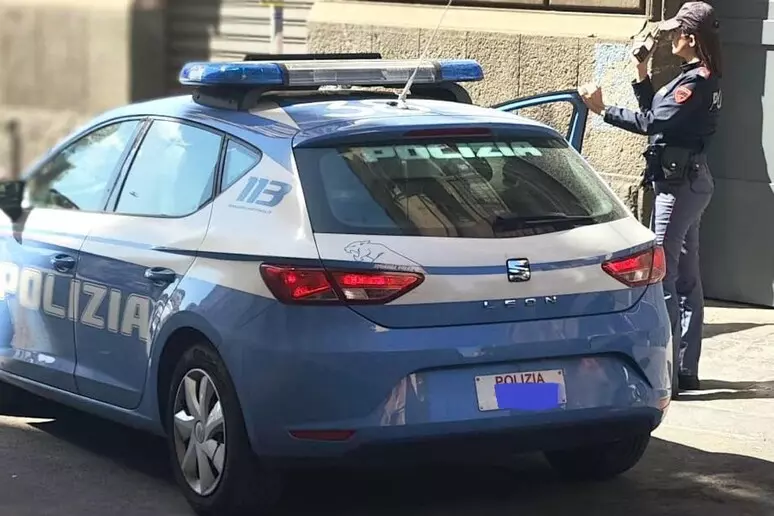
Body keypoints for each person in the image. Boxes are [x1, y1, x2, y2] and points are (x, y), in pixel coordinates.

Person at [578, 1, 723, 397]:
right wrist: (641, 73)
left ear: (690, 37)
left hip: (679, 188)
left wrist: (602, 110)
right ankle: (685, 370)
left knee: (663, 277)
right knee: (687, 278)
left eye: (676, 32)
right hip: (688, 182)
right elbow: (658, 114)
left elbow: (651, 122)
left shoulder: (695, 82)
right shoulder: (697, 76)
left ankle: (668, 371)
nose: (671, 38)